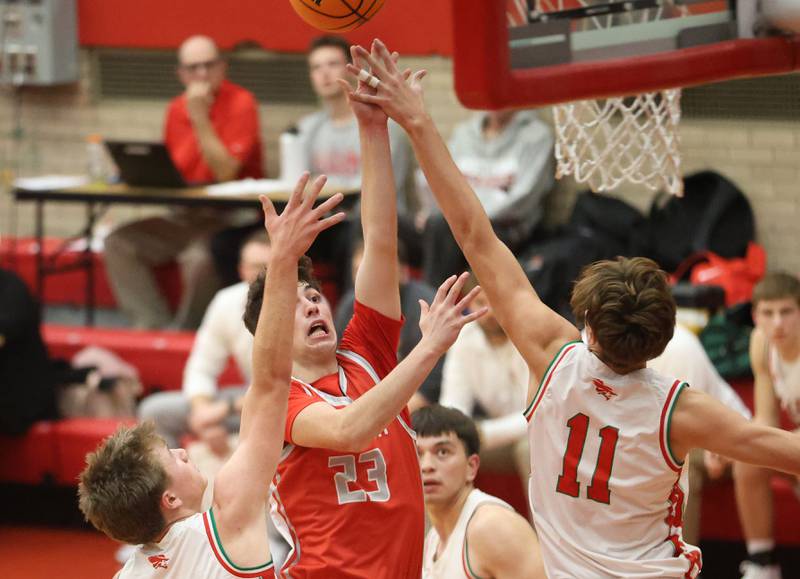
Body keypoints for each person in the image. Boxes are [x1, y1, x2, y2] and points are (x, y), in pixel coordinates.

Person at [349, 38, 800, 578]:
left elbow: (474, 233)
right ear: (664, 336)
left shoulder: (550, 356)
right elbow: (779, 449)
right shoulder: (680, 410)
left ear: (586, 326)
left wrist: (418, 120)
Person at [241, 44, 487, 578]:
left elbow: (379, 241)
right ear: (274, 332)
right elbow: (349, 429)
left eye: (315, 296)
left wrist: (372, 129)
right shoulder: (280, 404)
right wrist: (429, 347)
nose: (314, 305)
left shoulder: (364, 353)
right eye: (298, 301)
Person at [77, 173, 345, 578]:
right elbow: (272, 384)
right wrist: (284, 259)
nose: (184, 451)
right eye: (172, 456)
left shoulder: (128, 573)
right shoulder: (228, 522)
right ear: (169, 498)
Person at [104, 35, 264, 330]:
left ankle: (186, 333)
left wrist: (200, 118)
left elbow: (226, 172)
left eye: (209, 65)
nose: (201, 75)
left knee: (198, 258)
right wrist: (137, 169)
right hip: (185, 214)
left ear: (223, 66)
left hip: (230, 217)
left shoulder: (242, 103)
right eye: (193, 68)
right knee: (119, 243)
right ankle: (152, 327)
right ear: (181, 74)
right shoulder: (175, 109)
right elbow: (174, 171)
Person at [137, 232, 271, 451]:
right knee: (155, 411)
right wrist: (203, 414)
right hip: (245, 399)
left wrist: (225, 408)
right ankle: (175, 482)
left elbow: (293, 385)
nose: (262, 275)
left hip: (287, 407)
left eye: (269, 266)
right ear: (241, 270)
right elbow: (201, 367)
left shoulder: (304, 302)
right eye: (255, 267)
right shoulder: (227, 301)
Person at [417, 109, 554, 285]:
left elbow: (523, 200)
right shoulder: (464, 132)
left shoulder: (536, 136)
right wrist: (433, 211)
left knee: (440, 227)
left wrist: (468, 219)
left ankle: (431, 301)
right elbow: (436, 177)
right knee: (391, 220)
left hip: (503, 230)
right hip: (454, 223)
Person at [647, 322, 752, 546]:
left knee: (682, 464)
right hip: (667, 439)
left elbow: (689, 427)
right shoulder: (592, 345)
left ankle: (681, 565)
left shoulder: (678, 346)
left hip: (726, 441)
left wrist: (718, 448)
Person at [413, 405, 545, 579]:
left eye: (442, 452)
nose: (427, 466)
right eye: (417, 454)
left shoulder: (492, 526)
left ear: (472, 466)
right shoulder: (432, 540)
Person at [734, 272, 800, 579]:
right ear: (755, 316)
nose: (777, 323)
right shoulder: (761, 342)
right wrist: (732, 441)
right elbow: (766, 420)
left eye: (786, 312)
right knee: (747, 458)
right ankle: (763, 563)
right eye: (768, 313)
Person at [438, 273, 531, 490]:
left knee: (527, 449)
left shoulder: (529, 332)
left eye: (495, 301)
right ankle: (442, 525)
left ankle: (540, 525)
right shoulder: (463, 339)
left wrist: (482, 433)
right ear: (469, 304)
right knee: (434, 450)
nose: (489, 312)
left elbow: (538, 413)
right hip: (492, 437)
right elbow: (452, 406)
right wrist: (452, 433)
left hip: (538, 436)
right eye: (481, 302)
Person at [334, 238, 442, 410]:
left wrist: (373, 421)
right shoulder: (348, 306)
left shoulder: (428, 306)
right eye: (357, 271)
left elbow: (430, 389)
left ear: (403, 272)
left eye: (372, 271)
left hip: (418, 410)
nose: (365, 280)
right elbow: (339, 371)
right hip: (364, 410)